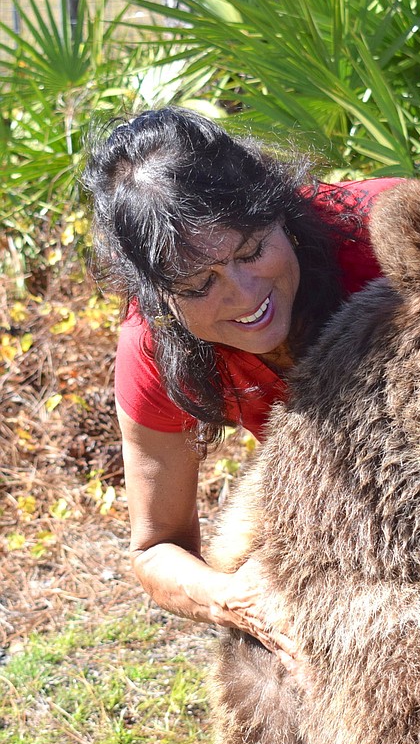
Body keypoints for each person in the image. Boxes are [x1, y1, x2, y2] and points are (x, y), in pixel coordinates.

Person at [83, 107, 401, 658]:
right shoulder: (153, 354)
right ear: (157, 296)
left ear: (279, 209)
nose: (245, 293)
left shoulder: (383, 233)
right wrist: (239, 601)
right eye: (199, 283)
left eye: (252, 250)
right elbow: (156, 549)